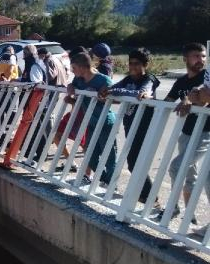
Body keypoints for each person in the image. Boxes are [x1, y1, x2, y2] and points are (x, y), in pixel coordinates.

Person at [98, 48, 160, 205]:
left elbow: (141, 92)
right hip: (130, 124)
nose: (132, 67)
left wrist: (116, 91)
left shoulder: (149, 79)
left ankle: (150, 197)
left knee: (135, 161)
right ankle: (146, 196)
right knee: (134, 162)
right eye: (130, 63)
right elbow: (115, 89)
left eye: (137, 64)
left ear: (145, 64)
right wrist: (108, 91)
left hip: (144, 127)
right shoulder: (128, 79)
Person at [166, 43, 209, 227]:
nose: (201, 60)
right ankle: (189, 216)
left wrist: (187, 99)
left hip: (205, 132)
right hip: (186, 134)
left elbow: (201, 91)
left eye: (203, 56)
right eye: (196, 56)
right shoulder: (181, 81)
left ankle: (172, 208)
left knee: (176, 167)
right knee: (191, 177)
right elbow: (167, 101)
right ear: (185, 59)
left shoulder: (206, 76)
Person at [66, 52, 116, 185]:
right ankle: (105, 179)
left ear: (82, 67)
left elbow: (118, 100)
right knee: (91, 157)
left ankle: (111, 184)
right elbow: (72, 86)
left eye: (74, 68)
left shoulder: (103, 80)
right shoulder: (79, 80)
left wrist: (106, 95)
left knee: (109, 156)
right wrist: (70, 88)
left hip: (105, 122)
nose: (72, 71)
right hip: (91, 122)